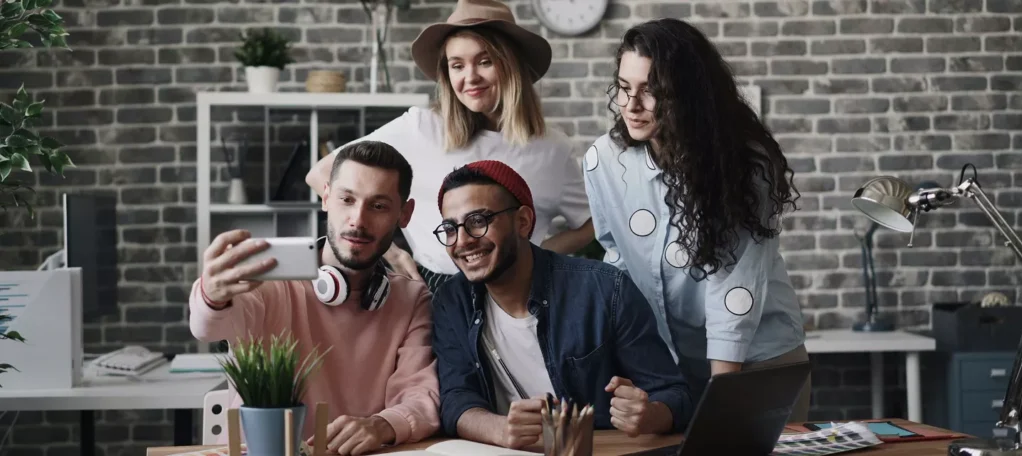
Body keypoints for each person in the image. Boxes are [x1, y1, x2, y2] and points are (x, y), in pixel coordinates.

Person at [581, 18, 810, 421]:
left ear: (686, 95)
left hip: (757, 365)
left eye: (651, 92)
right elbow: (616, 259)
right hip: (670, 370)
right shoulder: (603, 160)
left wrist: (718, 404)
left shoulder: (745, 166)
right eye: (624, 87)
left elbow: (733, 290)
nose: (631, 105)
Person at [305, 0, 593, 294]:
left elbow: (590, 223)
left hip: (521, 291)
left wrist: (540, 253)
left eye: (484, 61)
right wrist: (390, 252)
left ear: (511, 64)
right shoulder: (421, 127)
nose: (470, 77)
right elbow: (321, 173)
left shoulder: (553, 148)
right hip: (435, 290)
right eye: (457, 65)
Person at [190, 141, 440, 454]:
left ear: (404, 214)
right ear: (326, 198)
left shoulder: (412, 298)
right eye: (346, 199)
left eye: (378, 206)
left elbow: (420, 395)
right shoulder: (268, 282)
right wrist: (211, 295)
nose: (357, 220)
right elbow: (208, 329)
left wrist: (383, 425)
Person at [431, 160, 693, 450]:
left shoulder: (605, 290)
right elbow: (457, 398)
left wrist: (649, 415)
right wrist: (500, 429)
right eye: (450, 228)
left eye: (478, 221)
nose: (463, 241)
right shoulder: (451, 301)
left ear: (523, 221)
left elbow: (674, 395)